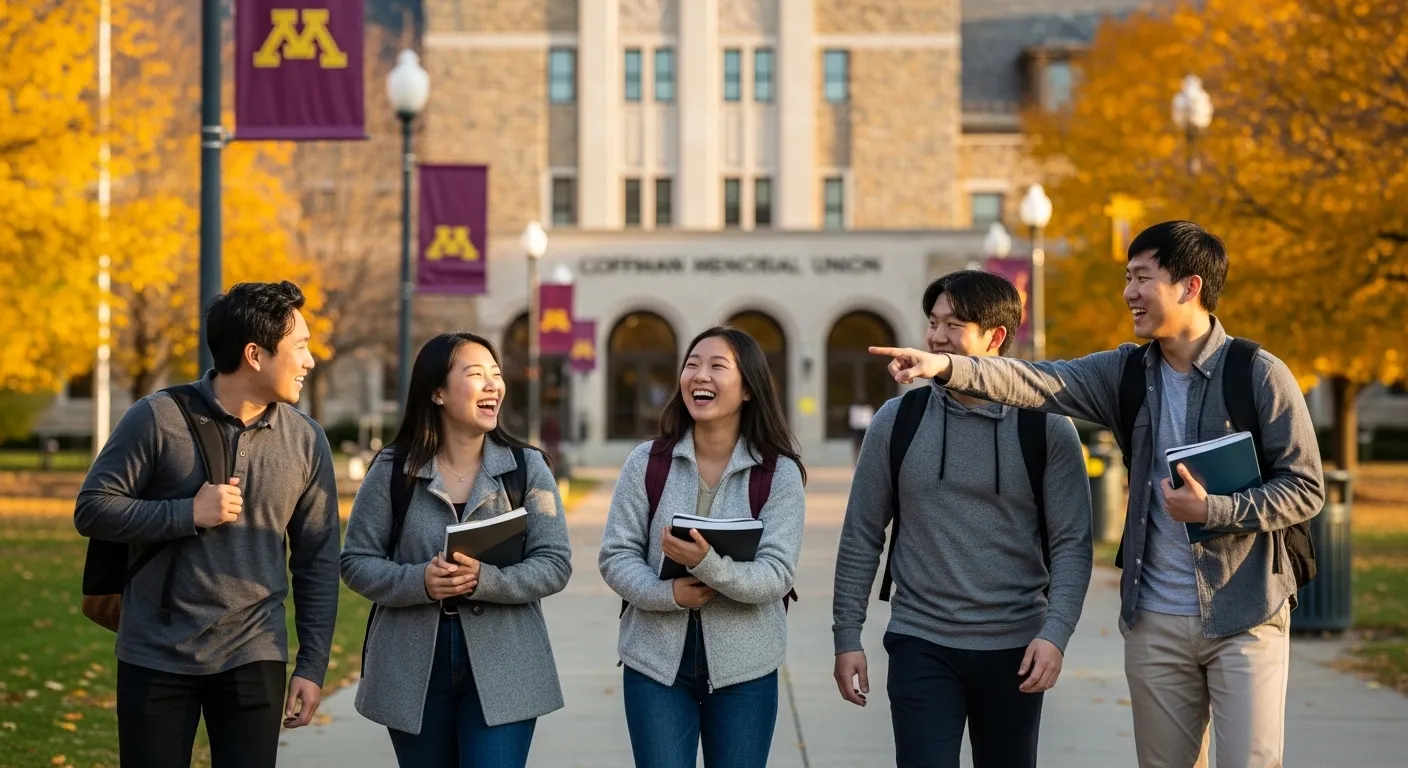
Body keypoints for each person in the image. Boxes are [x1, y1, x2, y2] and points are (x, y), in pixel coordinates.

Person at [870, 221, 1325, 768]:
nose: (1129, 292)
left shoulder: (1259, 375)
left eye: (1143, 278)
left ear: (1190, 287)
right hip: (1154, 617)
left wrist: (1215, 510)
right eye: (1127, 277)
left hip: (1245, 611)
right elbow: (1035, 382)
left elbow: (1306, 488)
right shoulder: (1124, 374)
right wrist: (946, 366)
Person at [832, 270, 1093, 768]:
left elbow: (1072, 543)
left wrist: (1055, 635)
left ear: (995, 337)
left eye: (953, 325)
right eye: (933, 322)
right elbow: (862, 534)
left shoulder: (1046, 427)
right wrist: (848, 635)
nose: (936, 337)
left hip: (1016, 647)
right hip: (920, 641)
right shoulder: (896, 421)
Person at [74, 281, 340, 768]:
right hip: (155, 652)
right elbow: (92, 508)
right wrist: (187, 514)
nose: (310, 361)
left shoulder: (307, 440)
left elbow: (317, 560)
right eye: (300, 347)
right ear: (255, 355)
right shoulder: (157, 418)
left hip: (254, 651)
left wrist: (312, 665)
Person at [341, 332, 572, 767]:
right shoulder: (393, 469)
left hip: (506, 665)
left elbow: (554, 564)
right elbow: (356, 562)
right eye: (476, 374)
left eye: (496, 375)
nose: (493, 385)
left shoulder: (527, 467)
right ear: (438, 392)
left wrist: (487, 580)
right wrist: (420, 582)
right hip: (412, 668)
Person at [598, 326, 807, 768]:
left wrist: (708, 564)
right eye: (692, 364)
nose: (700, 375)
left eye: (717, 366)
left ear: (748, 389)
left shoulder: (779, 473)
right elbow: (616, 555)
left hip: (746, 669)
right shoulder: (647, 463)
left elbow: (776, 575)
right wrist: (668, 594)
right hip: (655, 665)